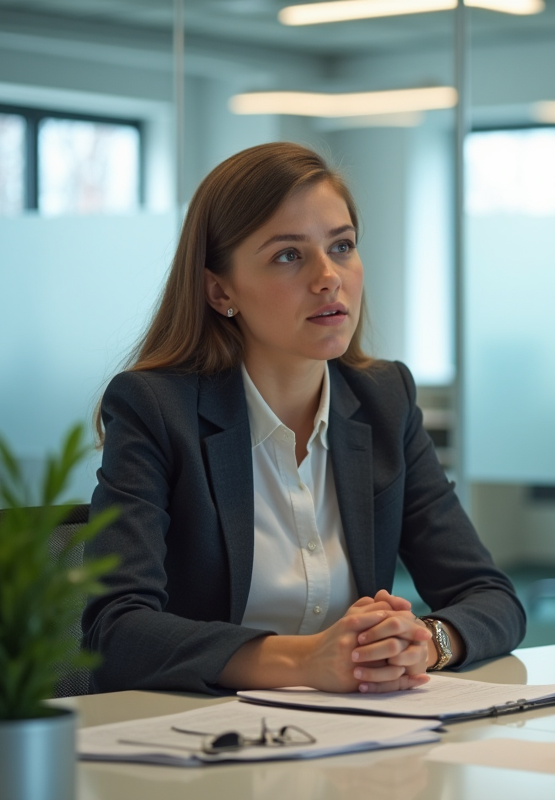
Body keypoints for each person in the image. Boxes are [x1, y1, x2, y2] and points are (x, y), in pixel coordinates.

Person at [82, 142, 524, 695]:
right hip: (202, 741)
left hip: (352, 737)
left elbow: (492, 596)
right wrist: (304, 661)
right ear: (221, 290)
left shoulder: (385, 400)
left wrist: (425, 640)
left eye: (341, 246)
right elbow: (116, 629)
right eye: (289, 255)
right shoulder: (155, 409)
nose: (328, 277)